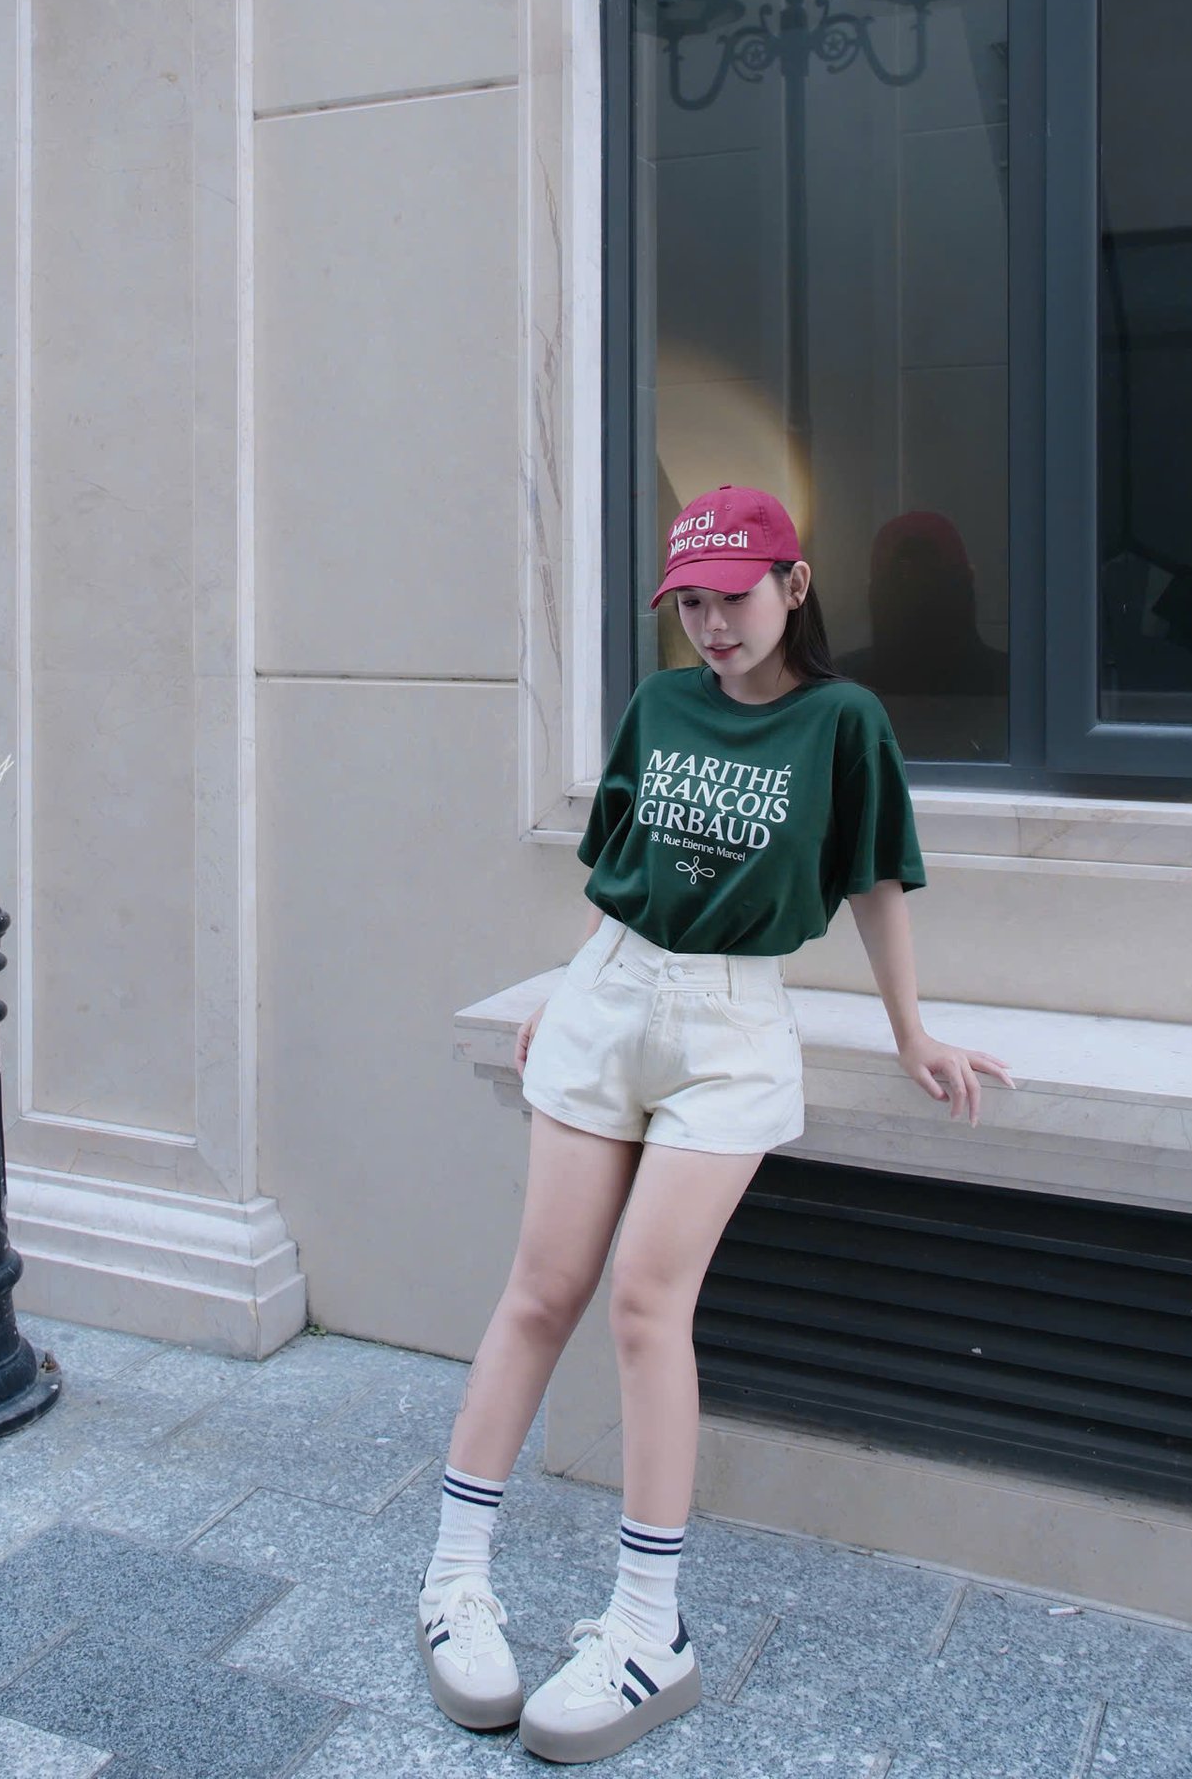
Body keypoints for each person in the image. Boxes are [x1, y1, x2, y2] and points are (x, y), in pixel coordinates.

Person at [414, 481, 1017, 1765]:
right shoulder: (660, 704)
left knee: (646, 1303)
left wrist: (913, 1033)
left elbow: (874, 880)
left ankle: (648, 1630)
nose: (710, 625)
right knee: (540, 1291)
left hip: (732, 1027)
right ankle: (454, 1579)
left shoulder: (842, 722)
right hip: (607, 996)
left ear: (794, 586)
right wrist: (570, 991)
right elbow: (616, 874)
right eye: (688, 603)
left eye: (731, 597)